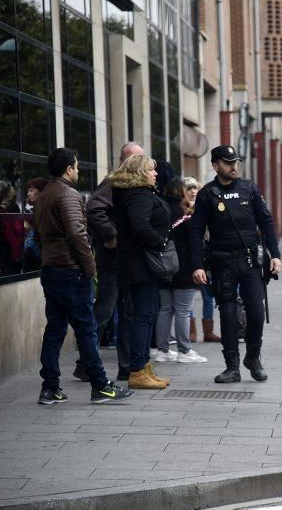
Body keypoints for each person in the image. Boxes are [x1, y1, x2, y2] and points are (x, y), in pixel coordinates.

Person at [32, 147, 133, 405]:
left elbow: (39, 236)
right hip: (71, 271)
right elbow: (78, 234)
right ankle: (100, 385)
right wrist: (90, 268)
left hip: (52, 269)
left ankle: (50, 387)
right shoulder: (67, 194)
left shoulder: (43, 195)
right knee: (86, 329)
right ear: (69, 169)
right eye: (76, 166)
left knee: (55, 329)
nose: (78, 170)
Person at [190, 145, 282, 384]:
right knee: (229, 315)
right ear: (215, 165)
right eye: (228, 162)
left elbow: (267, 222)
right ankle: (232, 367)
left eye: (235, 162)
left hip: (250, 260)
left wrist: (275, 255)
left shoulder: (249, 188)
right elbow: (196, 231)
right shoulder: (207, 194)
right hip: (222, 262)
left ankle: (253, 358)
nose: (233, 166)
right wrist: (197, 265)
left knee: (256, 312)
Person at [110, 154, 172, 390]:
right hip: (140, 265)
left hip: (140, 264)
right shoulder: (138, 194)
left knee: (149, 313)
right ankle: (137, 370)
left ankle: (144, 367)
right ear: (140, 172)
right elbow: (140, 226)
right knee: (144, 316)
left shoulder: (139, 193)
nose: (156, 173)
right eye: (151, 170)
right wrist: (161, 242)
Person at [83, 142, 143, 382]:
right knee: (104, 312)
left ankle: (126, 366)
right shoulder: (114, 181)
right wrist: (111, 236)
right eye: (135, 158)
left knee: (127, 313)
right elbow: (94, 209)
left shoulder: (133, 183)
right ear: (123, 161)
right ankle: (85, 363)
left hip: (127, 261)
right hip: (112, 261)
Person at [155, 178, 208, 364]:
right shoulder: (183, 213)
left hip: (162, 266)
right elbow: (194, 242)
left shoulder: (159, 208)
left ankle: (162, 350)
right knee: (183, 310)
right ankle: (184, 351)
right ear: (181, 192)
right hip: (183, 266)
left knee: (165, 309)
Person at [185, 176, 219, 343]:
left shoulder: (205, 206)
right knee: (189, 296)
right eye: (189, 188)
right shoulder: (181, 209)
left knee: (208, 295)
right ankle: (191, 331)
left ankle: (208, 331)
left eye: (194, 188)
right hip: (189, 256)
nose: (192, 191)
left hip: (206, 256)